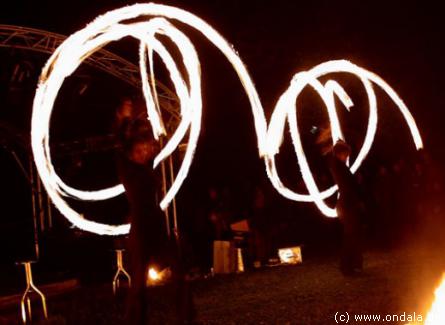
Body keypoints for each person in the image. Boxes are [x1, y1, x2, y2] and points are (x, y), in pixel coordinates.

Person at [114, 98, 194, 324]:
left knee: (179, 271)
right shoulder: (126, 167)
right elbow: (120, 141)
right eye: (142, 149)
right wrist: (124, 119)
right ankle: (135, 321)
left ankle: (187, 317)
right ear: (132, 151)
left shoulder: (147, 165)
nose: (147, 152)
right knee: (138, 283)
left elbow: (152, 139)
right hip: (140, 227)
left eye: (148, 149)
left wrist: (142, 117)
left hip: (157, 223)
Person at [327, 140, 364, 276]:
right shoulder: (337, 166)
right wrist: (356, 182)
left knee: (352, 235)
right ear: (340, 153)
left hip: (347, 205)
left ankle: (351, 265)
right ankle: (347, 267)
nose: (347, 157)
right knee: (350, 236)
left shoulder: (339, 166)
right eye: (346, 154)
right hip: (347, 206)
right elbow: (347, 186)